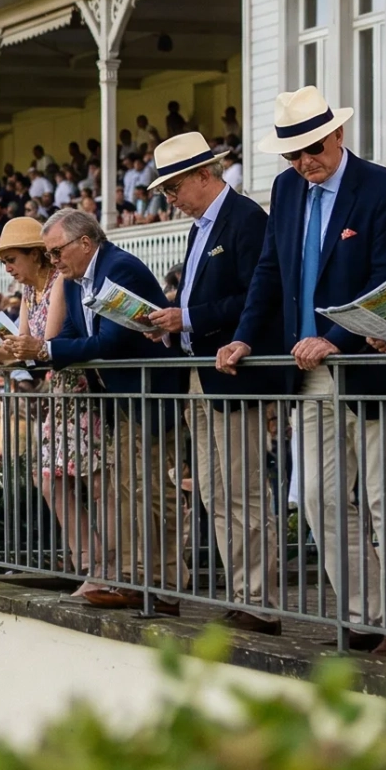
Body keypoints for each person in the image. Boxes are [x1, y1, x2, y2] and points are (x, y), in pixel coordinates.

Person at [217, 86, 386, 659]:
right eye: (292, 155)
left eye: (312, 148)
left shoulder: (384, 187)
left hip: (368, 365)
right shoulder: (286, 190)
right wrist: (242, 335)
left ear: (338, 135)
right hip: (303, 368)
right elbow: (268, 272)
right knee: (316, 497)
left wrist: (333, 339)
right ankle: (364, 615)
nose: (304, 163)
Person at [141, 131, 285, 633]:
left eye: (173, 187)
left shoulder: (246, 220)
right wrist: (176, 325)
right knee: (214, 492)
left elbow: (256, 298)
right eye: (165, 191)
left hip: (231, 372)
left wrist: (188, 318)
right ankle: (244, 592)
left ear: (205, 175)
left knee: (241, 491)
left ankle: (260, 600)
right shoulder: (200, 227)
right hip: (201, 373)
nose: (170, 198)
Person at [34, 209, 184, 609]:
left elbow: (110, 341)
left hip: (151, 396)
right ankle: (136, 579)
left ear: (85, 242)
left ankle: (166, 585)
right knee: (128, 491)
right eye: (48, 255)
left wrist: (46, 351)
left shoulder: (120, 267)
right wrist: (43, 352)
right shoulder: (72, 280)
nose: (54, 261)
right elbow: (69, 336)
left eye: (56, 252)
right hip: (121, 399)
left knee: (156, 494)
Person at [0, 215, 103, 579]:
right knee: (51, 478)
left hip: (80, 390)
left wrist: (6, 352)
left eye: (12, 259)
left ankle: (103, 563)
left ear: (36, 255)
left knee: (93, 481)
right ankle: (87, 559)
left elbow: (40, 346)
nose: (8, 268)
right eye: (4, 261)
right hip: (58, 392)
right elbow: (20, 350)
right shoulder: (28, 293)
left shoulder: (59, 284)